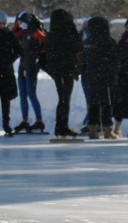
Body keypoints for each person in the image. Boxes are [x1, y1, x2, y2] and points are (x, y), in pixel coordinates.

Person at [46, 9, 83, 137]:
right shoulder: (68, 34)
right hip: (67, 70)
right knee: (65, 98)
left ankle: (60, 126)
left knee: (62, 98)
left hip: (57, 70)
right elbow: (77, 46)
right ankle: (62, 126)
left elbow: (48, 55)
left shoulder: (51, 35)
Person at [82, 16, 121, 139]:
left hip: (90, 77)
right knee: (106, 103)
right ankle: (107, 129)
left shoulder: (86, 42)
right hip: (106, 77)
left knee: (92, 103)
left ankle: (92, 130)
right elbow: (115, 60)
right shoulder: (109, 41)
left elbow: (82, 60)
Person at [12, 11, 47, 133]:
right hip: (23, 65)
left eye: (20, 21)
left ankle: (39, 120)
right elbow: (12, 36)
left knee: (31, 94)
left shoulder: (34, 31)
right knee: (22, 94)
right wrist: (16, 26)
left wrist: (39, 54)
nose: (18, 24)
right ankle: (25, 120)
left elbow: (45, 39)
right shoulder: (23, 31)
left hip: (31, 66)